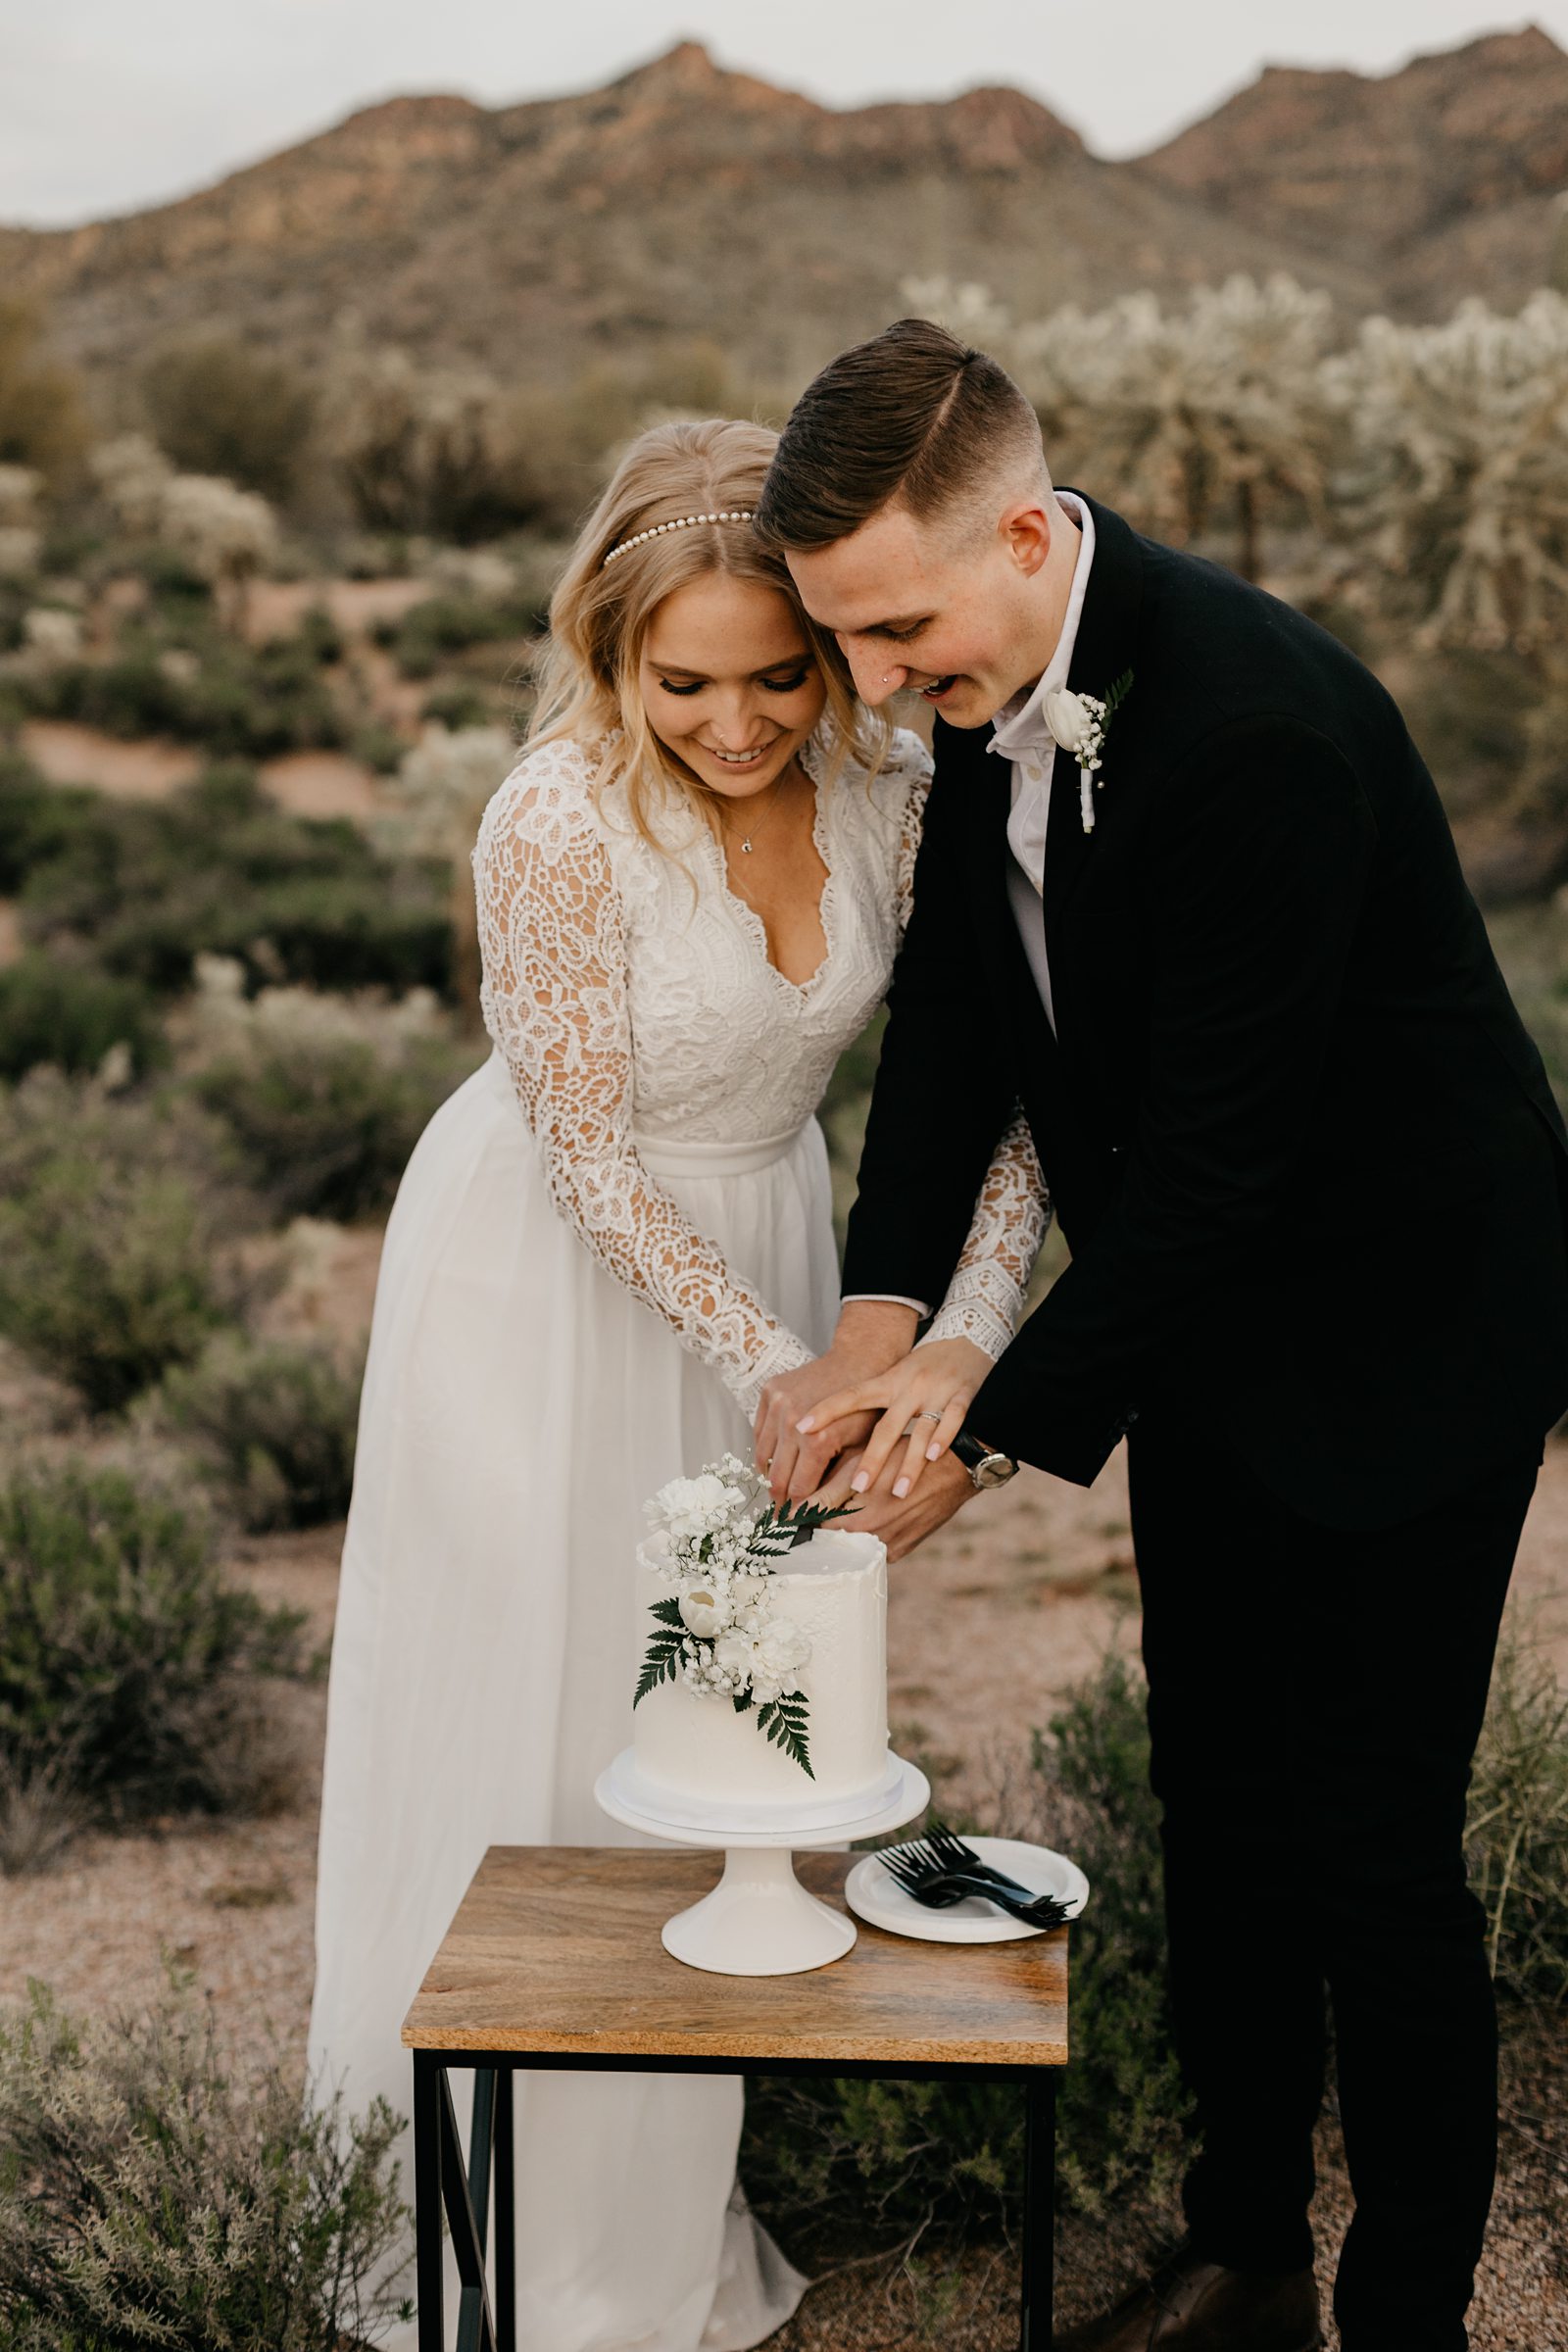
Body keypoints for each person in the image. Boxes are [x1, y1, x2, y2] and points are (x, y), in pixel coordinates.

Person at [750, 319, 1568, 2352]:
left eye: (896, 630)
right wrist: (875, 1332)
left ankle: (1398, 2315)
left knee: (1367, 1847)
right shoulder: (985, 675)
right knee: (1213, 1798)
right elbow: (953, 1021)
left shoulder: (1250, 730)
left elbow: (1215, 1159)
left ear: (1026, 533)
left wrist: (970, 1427)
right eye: (837, 639)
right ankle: (1239, 2258)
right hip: (1205, 1321)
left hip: (1406, 1329)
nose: (869, 683)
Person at [306, 414, 1049, 2352]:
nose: (731, 722)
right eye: (681, 680)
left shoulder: (898, 787)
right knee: (543, 1717)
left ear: (830, 649)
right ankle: (495, 2246)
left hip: (795, 1256)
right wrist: (779, 1371)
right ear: (610, 656)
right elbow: (583, 1151)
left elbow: (996, 1113)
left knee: (726, 1734)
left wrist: (940, 1355)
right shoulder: (555, 818)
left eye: (774, 674)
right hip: (547, 1285)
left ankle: (652, 2224)